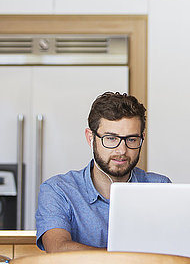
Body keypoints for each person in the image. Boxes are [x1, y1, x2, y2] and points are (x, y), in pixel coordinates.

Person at [36, 91, 170, 252]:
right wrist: (130, 259)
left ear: (142, 138)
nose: (122, 150)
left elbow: (174, 251)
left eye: (131, 139)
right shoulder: (58, 190)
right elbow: (59, 250)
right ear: (90, 137)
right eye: (111, 138)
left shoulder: (160, 187)